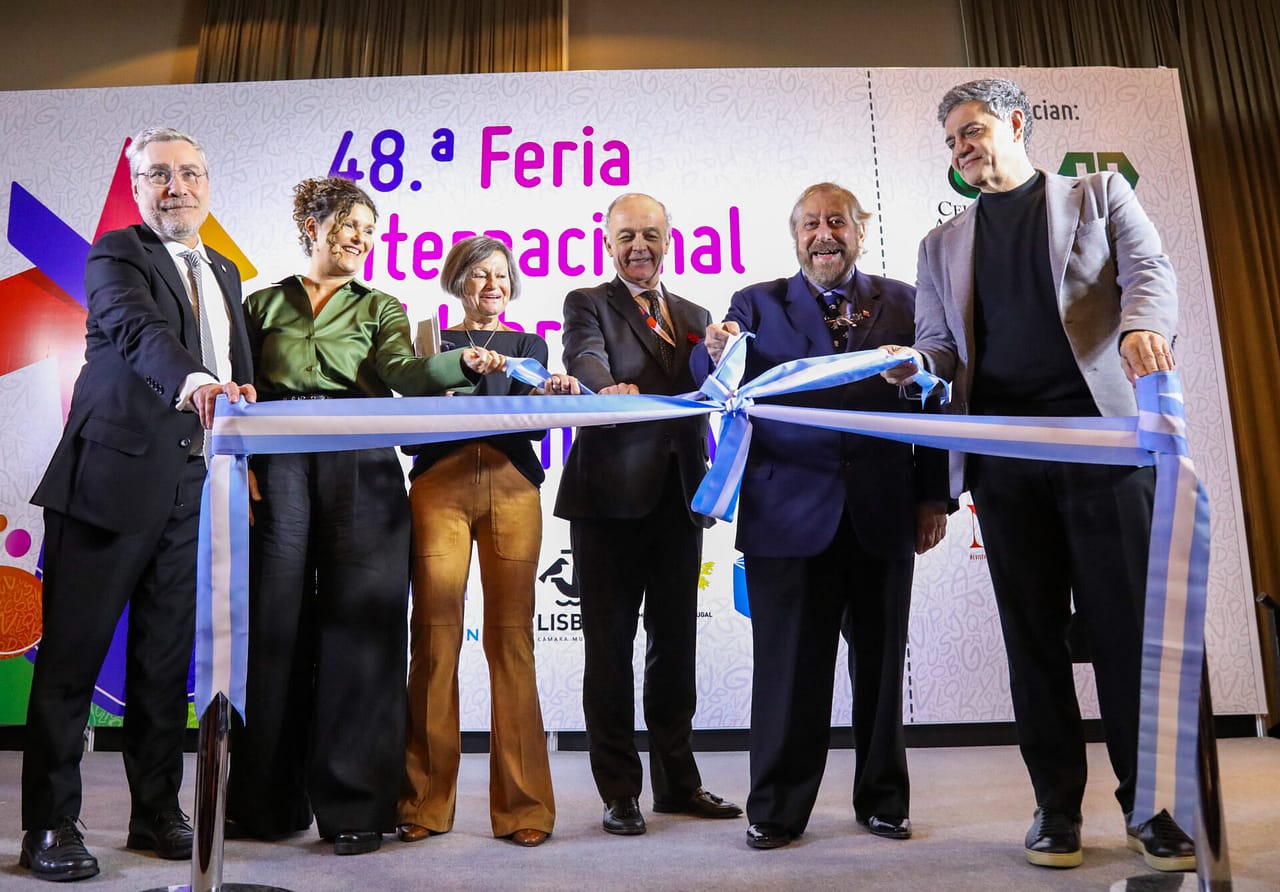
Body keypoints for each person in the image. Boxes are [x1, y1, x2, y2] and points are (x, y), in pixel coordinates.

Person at [882, 77, 1192, 873]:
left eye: (973, 130)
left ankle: (1151, 809)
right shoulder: (940, 246)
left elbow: (1150, 273)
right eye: (952, 140)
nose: (962, 148)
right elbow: (939, 347)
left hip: (1106, 448)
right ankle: (1056, 807)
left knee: (1128, 636)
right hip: (1005, 464)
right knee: (1032, 641)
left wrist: (1142, 326)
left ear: (1016, 123)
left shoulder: (1099, 194)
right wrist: (915, 365)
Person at [225, 177, 502, 856]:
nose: (361, 239)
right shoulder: (259, 304)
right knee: (276, 629)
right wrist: (245, 466)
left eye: (370, 230)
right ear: (313, 226)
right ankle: (265, 803)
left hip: (363, 467)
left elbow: (405, 374)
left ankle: (355, 809)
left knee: (363, 633)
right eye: (350, 224)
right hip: (280, 466)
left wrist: (459, 364)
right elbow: (239, 389)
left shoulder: (381, 306)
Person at [22, 127, 256, 882]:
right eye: (159, 175)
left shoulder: (223, 270)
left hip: (192, 487)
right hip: (107, 482)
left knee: (163, 663)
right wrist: (198, 384)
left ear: (207, 184)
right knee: (72, 662)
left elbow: (239, 369)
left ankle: (156, 812)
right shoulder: (116, 254)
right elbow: (138, 330)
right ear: (138, 188)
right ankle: (48, 825)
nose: (175, 187)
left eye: (189, 173)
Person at [693, 183, 948, 850]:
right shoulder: (755, 303)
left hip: (882, 512)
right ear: (796, 237)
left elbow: (933, 401)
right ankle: (775, 810)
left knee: (882, 672)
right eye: (810, 224)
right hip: (785, 517)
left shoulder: (905, 302)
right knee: (787, 674)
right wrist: (715, 349)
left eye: (837, 221)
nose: (823, 235)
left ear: (860, 231)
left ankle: (884, 801)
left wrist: (933, 496)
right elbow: (714, 370)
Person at [554, 192, 741, 835]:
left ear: (668, 241)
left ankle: (678, 785)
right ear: (608, 243)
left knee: (675, 648)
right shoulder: (586, 302)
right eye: (627, 235)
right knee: (609, 650)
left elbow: (714, 385)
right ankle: (618, 792)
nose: (640, 246)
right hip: (607, 500)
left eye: (651, 235)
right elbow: (582, 356)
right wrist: (603, 386)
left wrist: (724, 354)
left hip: (679, 498)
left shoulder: (696, 315)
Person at [396, 236, 578, 849]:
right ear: (457, 283)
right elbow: (415, 420)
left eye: (501, 275)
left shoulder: (530, 347)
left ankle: (525, 808)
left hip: (512, 487)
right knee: (434, 638)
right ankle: (423, 800)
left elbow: (530, 419)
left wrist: (546, 392)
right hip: (437, 489)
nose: (492, 285)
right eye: (478, 275)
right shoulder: (430, 342)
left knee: (512, 640)